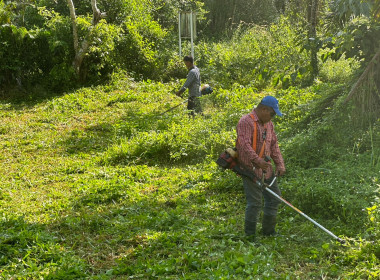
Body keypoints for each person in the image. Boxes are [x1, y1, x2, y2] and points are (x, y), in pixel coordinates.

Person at [235, 96, 286, 241]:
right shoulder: (246, 121)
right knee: (255, 203)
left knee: (274, 198)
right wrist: (257, 161)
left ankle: (268, 231)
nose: (273, 117)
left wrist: (280, 164)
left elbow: (274, 145)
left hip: (267, 170)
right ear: (264, 109)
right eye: (272, 114)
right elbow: (244, 145)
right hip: (250, 170)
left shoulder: (269, 124)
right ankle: (250, 235)